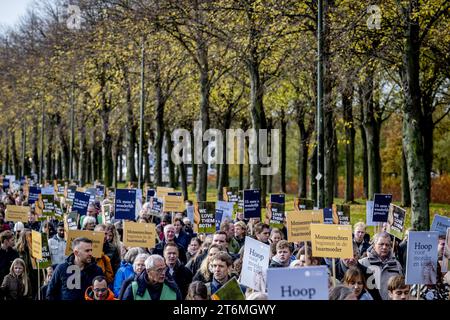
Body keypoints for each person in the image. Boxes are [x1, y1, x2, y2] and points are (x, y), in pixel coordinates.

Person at [359, 232, 403, 300]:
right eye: (381, 244)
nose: (384, 247)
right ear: (374, 245)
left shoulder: (396, 265)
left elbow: (401, 287)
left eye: (387, 245)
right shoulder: (362, 263)